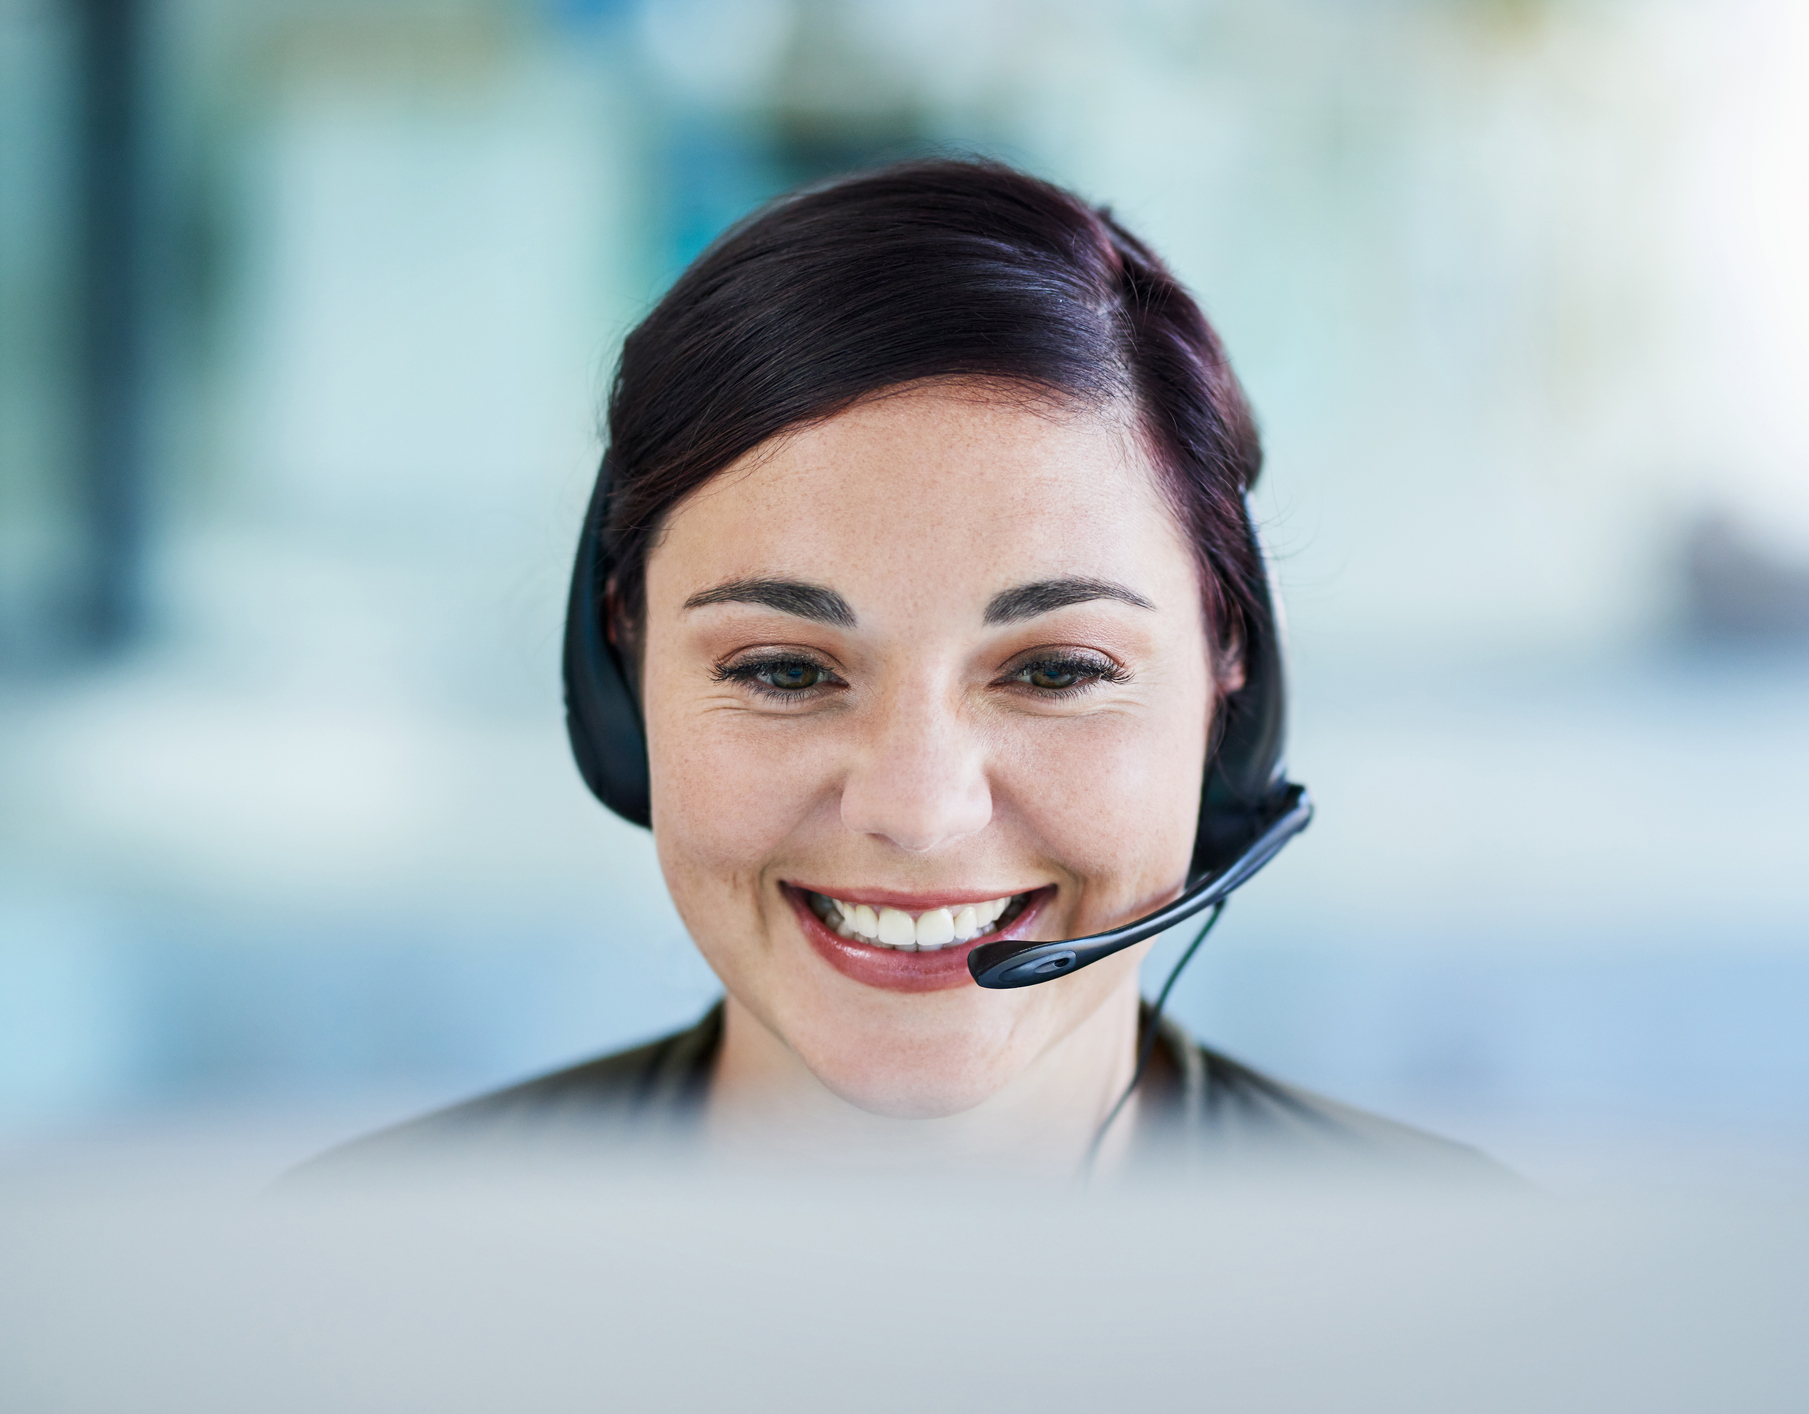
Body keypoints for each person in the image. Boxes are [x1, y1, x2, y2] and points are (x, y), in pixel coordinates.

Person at [299, 159, 1508, 1186]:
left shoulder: (1469, 1295)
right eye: (781, 670)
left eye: (1054, 670)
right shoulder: (346, 1272)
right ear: (623, 675)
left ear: (1226, 681)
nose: (918, 813)